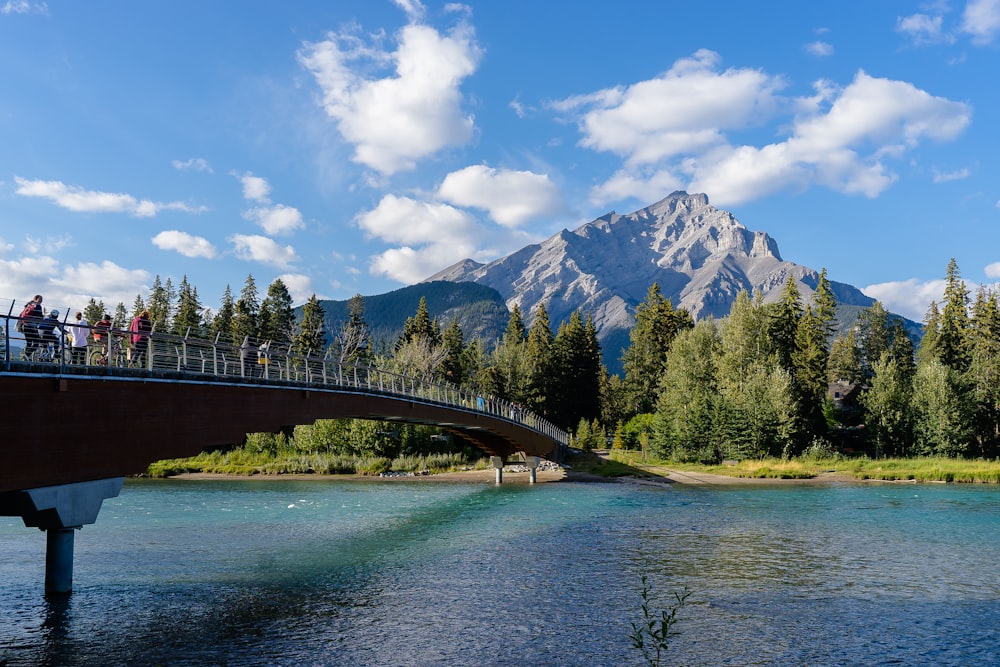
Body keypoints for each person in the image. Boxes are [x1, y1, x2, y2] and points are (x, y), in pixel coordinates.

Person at [20, 295, 43, 359]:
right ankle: (27, 355)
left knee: (29, 342)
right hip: (31, 326)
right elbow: (39, 316)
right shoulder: (38, 306)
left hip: (24, 325)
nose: (41, 301)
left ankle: (26, 357)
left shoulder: (28, 304)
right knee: (36, 343)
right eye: (40, 300)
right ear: (36, 299)